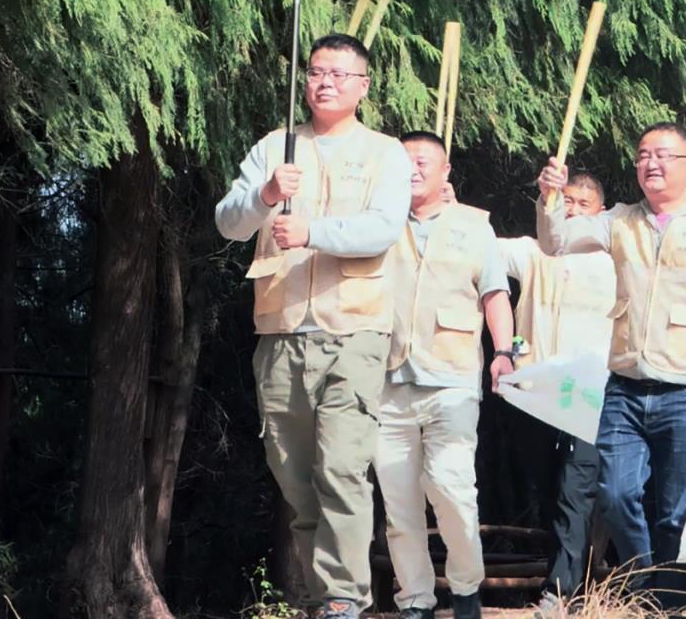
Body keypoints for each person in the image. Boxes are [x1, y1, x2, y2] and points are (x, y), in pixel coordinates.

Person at [214, 33, 412, 619]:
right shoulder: (277, 146)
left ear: (362, 87)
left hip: (353, 329)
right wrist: (265, 194)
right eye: (316, 71)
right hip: (279, 330)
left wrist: (312, 232)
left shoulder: (384, 153)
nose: (324, 82)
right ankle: (319, 597)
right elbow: (227, 222)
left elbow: (382, 228)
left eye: (338, 73)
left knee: (342, 467)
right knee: (294, 476)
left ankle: (344, 598)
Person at [536, 123, 686, 611]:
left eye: (663, 155)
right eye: (642, 155)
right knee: (614, 493)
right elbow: (556, 241)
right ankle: (646, 580)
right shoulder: (619, 220)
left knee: (676, 510)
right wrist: (550, 197)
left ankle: (665, 601)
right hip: (626, 384)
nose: (651, 164)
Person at [374, 134, 515, 619]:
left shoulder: (474, 226)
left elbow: (495, 292)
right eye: (404, 161)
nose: (412, 169)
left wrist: (505, 352)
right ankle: (415, 599)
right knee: (399, 502)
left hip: (451, 377)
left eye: (422, 161)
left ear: (445, 171)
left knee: (452, 488)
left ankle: (466, 588)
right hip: (386, 377)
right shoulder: (379, 220)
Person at [500, 173, 613, 617]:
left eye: (584, 204)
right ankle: (571, 575)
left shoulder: (616, 260)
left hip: (591, 390)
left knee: (576, 486)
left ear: (600, 214)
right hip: (536, 389)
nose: (573, 210)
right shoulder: (533, 252)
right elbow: (482, 249)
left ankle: (561, 590)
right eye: (566, 201)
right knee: (547, 488)